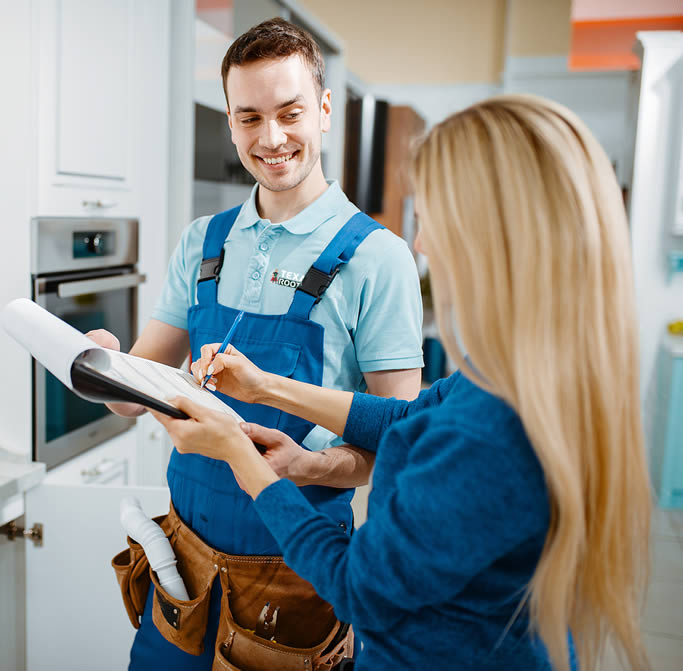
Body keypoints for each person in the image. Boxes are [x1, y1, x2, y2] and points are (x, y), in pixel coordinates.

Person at [154, 95, 652, 671]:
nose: (422, 243)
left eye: (434, 217)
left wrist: (240, 454)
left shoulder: (486, 434)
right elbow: (406, 418)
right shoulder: (523, 378)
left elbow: (359, 586)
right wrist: (266, 387)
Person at [90, 17, 423, 670]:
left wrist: (307, 465)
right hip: (179, 565)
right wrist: (100, 366)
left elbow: (401, 448)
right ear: (230, 120)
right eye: (248, 118)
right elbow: (135, 396)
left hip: (294, 575)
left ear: (324, 111)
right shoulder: (202, 241)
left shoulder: (377, 260)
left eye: (289, 112)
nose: (269, 139)